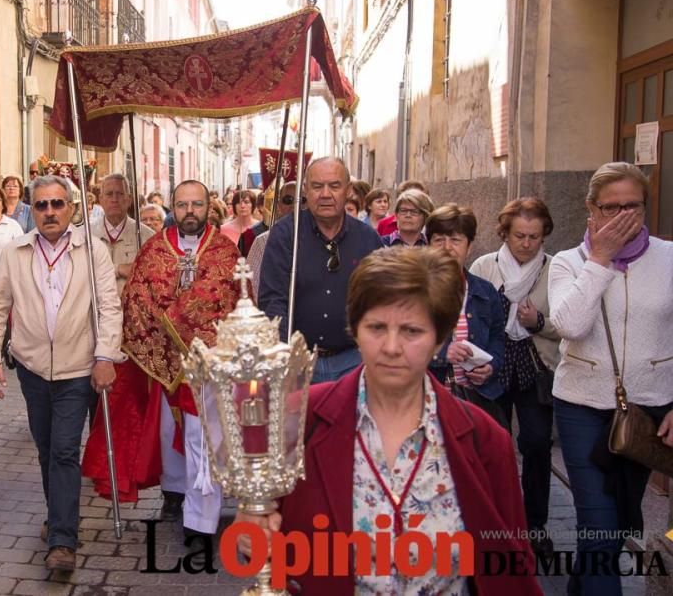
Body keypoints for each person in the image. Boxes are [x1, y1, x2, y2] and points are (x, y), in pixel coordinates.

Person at [236, 247, 539, 596]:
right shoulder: (299, 421)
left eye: (412, 331)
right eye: (377, 327)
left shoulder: (485, 441)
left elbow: (511, 567)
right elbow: (261, 532)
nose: (392, 347)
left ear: (440, 338)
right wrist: (252, 528)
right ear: (354, 329)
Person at [82, 179, 240, 543]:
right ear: (173, 206)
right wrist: (163, 331)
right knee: (167, 432)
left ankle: (201, 520)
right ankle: (175, 494)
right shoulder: (154, 248)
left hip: (207, 365)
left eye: (196, 205)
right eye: (182, 205)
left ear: (208, 207)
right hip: (161, 361)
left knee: (202, 439)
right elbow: (137, 297)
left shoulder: (224, 251)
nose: (189, 212)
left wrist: (185, 325)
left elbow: (227, 298)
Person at [0, 175, 121, 572]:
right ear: (32, 211)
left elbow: (109, 307)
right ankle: (58, 514)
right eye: (41, 205)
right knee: (45, 449)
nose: (50, 212)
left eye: (58, 204)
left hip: (78, 368)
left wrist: (106, 355)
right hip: (32, 368)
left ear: (72, 208)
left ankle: (62, 539)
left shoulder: (93, 252)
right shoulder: (15, 252)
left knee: (63, 450)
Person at [548, 161, 673, 595]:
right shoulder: (568, 262)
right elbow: (570, 325)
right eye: (611, 207)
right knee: (598, 525)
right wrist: (599, 259)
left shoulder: (669, 258)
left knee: (617, 522)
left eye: (632, 207)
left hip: (648, 411)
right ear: (591, 209)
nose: (622, 216)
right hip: (582, 407)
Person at [470, 197, 560, 559]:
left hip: (536, 363)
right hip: (494, 359)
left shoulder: (557, 270)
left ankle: (535, 525)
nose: (526, 243)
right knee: (493, 445)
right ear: (504, 234)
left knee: (537, 445)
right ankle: (496, 524)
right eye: (519, 235)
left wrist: (539, 323)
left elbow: (571, 326)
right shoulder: (484, 266)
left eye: (534, 237)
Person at [259, 158, 383, 383]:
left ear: (348, 191)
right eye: (317, 186)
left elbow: (382, 301)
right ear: (305, 190)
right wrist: (283, 354)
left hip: (354, 361)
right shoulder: (286, 235)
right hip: (299, 361)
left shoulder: (368, 239)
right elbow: (273, 299)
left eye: (334, 186)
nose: (325, 194)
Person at [426, 204, 507, 428]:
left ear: (469, 246)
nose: (447, 247)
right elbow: (401, 341)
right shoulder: (414, 290)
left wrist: (491, 367)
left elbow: (498, 337)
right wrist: (442, 352)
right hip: (427, 398)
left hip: (475, 399)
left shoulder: (484, 291)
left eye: (456, 240)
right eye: (439, 239)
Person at [245, 181, 298, 304]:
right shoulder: (262, 241)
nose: (295, 206)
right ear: (279, 205)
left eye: (302, 199)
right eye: (288, 200)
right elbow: (251, 288)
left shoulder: (322, 240)